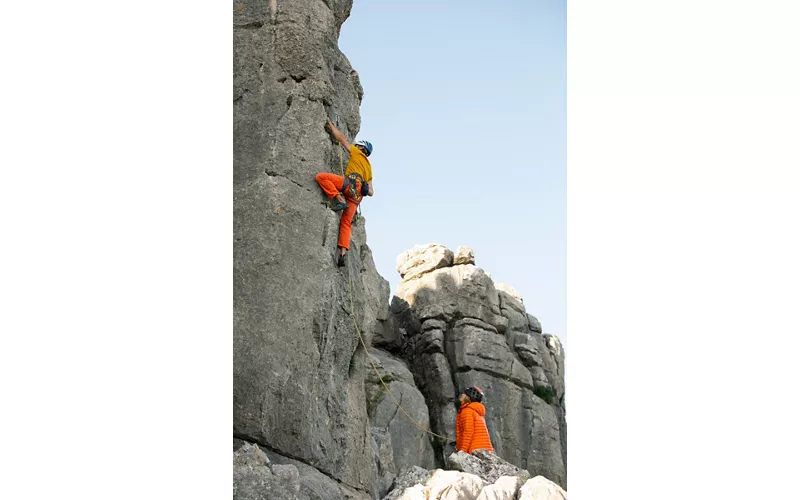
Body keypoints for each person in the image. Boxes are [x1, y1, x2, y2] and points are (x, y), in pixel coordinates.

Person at [315, 119, 374, 267]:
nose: (356, 146)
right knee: (346, 223)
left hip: (349, 185)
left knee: (322, 177)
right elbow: (371, 192)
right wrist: (366, 189)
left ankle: (338, 198)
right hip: (357, 196)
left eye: (358, 145)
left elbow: (341, 139)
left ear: (361, 148)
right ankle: (342, 252)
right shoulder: (369, 168)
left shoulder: (356, 153)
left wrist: (330, 124)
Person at [455, 386, 494, 454]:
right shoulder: (476, 412)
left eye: (464, 394)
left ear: (468, 397)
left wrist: (462, 452)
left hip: (474, 451)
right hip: (485, 451)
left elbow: (468, 432)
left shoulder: (467, 411)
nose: (462, 395)